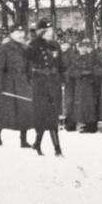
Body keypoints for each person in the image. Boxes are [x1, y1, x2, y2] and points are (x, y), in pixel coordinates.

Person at [26, 19, 65, 157]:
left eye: (51, 30)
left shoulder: (55, 45)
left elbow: (61, 64)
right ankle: (57, 149)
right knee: (43, 115)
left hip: (53, 83)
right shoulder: (33, 45)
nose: (51, 33)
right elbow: (26, 64)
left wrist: (62, 79)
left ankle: (39, 144)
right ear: (41, 32)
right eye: (48, 31)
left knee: (52, 115)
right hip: (40, 84)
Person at [0, 27, 32, 147]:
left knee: (25, 111)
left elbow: (28, 66)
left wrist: (30, 79)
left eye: (22, 32)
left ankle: (23, 140)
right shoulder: (4, 48)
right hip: (8, 84)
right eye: (18, 32)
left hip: (23, 83)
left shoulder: (25, 48)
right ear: (11, 34)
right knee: (5, 111)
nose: (21, 34)